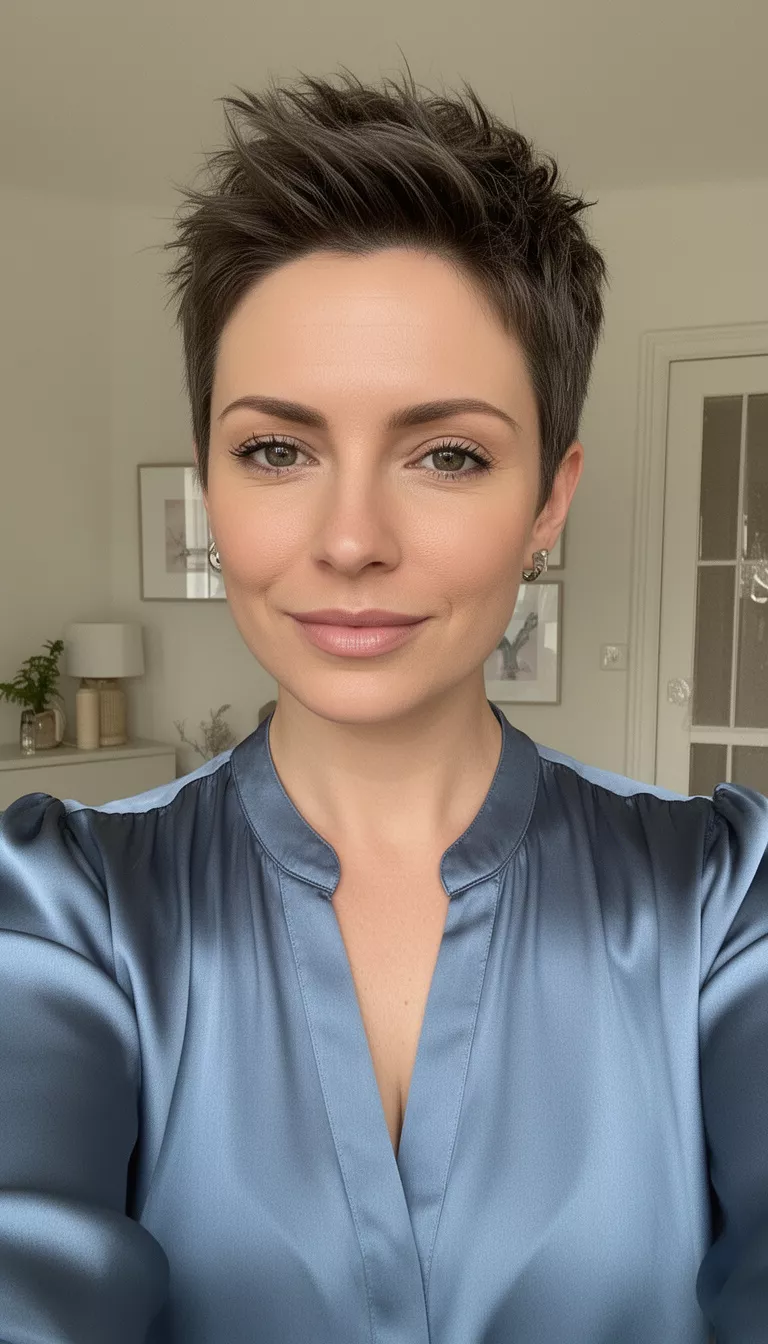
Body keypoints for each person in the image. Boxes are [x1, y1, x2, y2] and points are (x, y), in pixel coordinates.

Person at [0, 63, 764, 1344]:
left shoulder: (723, 901)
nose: (349, 539)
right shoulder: (65, 906)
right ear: (210, 481)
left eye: (447, 454)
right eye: (277, 450)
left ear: (551, 500)